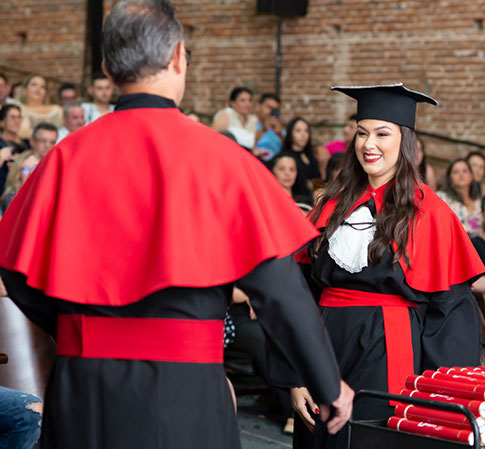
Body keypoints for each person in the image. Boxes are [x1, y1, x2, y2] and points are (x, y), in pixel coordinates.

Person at [0, 1, 353, 448]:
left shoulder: (64, 159)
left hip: (83, 386)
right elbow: (279, 288)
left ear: (108, 68)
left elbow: (14, 270)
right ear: (178, 56)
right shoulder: (224, 161)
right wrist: (328, 383)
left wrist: (77, 328)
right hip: (187, 391)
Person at [289, 83, 485, 449]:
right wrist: (295, 373)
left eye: (382, 134)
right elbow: (297, 291)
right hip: (323, 342)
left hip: (387, 350)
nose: (369, 145)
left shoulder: (431, 212)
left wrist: (439, 395)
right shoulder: (331, 204)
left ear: (405, 140)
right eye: (362, 133)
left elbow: (451, 313)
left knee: (369, 438)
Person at [436, 158, 481, 236]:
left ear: (471, 176)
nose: (461, 174)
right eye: (456, 172)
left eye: (465, 171)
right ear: (450, 178)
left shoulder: (478, 202)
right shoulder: (441, 198)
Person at [280, 117, 321, 201]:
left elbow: (318, 181)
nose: (303, 135)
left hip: (311, 200)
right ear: (291, 133)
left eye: (306, 131)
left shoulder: (310, 156)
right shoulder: (285, 158)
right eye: (298, 131)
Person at [211, 86, 259, 150]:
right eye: (243, 100)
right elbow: (212, 136)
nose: (247, 104)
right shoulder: (227, 114)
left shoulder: (253, 120)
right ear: (233, 103)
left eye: (250, 101)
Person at [17, 75, 62, 139]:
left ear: (45, 92)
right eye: (34, 85)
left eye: (42, 87)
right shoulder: (19, 108)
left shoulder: (57, 109)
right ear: (25, 89)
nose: (38, 89)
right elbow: (21, 132)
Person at [254, 92, 284, 160]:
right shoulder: (251, 126)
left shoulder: (281, 130)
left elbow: (288, 151)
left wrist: (280, 134)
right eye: (269, 107)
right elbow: (248, 147)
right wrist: (264, 129)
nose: (271, 112)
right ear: (259, 107)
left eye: (275, 109)